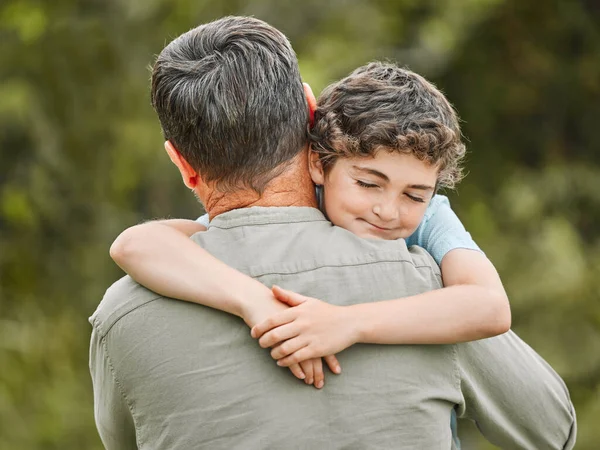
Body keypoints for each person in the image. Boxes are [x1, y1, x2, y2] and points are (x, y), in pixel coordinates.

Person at [90, 16, 576, 449]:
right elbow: (551, 430)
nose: (388, 212)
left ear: (182, 164)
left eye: (414, 194)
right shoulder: (425, 283)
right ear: (310, 112)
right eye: (369, 183)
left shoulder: (124, 311)